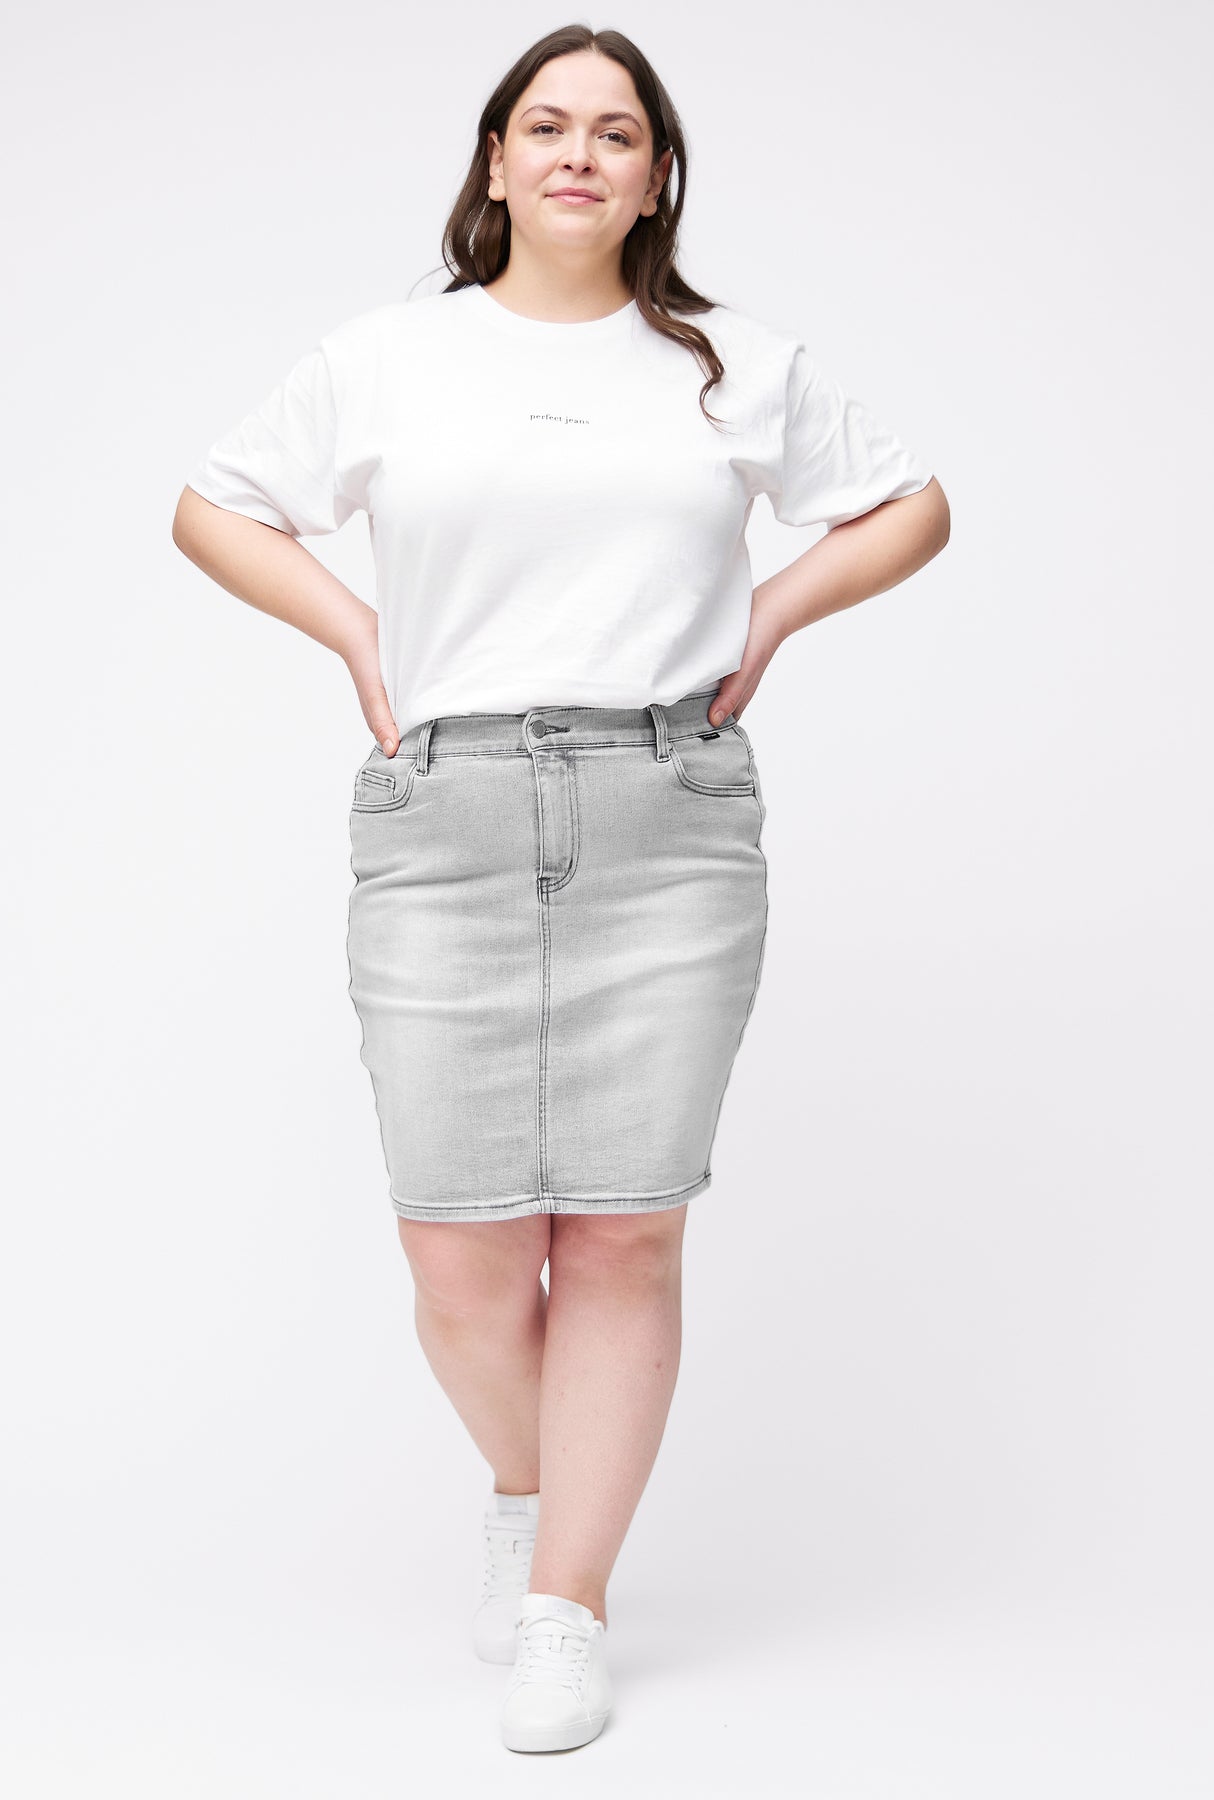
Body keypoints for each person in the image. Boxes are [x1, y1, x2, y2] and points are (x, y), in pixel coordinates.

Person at [172, 22, 950, 1757]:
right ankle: (531, 1495)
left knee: (619, 1226)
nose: (579, 154)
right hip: (442, 815)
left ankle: (564, 1606)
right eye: (547, 126)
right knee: (458, 1247)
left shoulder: (730, 365)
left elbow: (911, 504)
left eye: (615, 131)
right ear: (497, 160)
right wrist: (359, 633)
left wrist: (770, 611)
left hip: (664, 811)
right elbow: (214, 506)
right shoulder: (390, 358)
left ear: (657, 175)